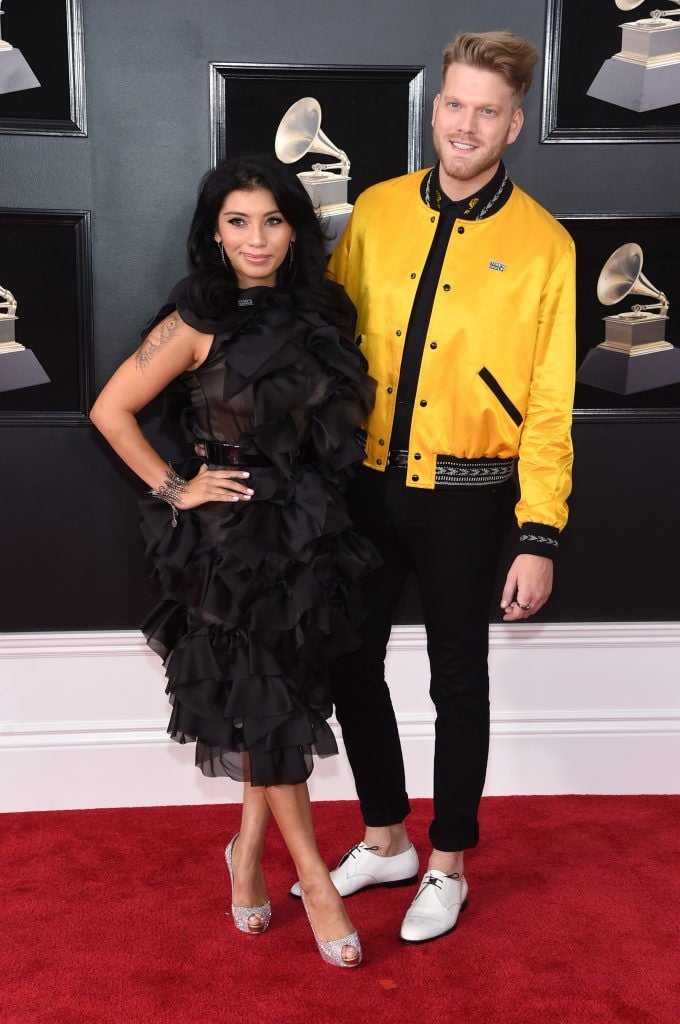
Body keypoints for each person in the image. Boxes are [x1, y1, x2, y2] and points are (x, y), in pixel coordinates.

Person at [290, 30, 576, 944]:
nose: (465, 123)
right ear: (435, 109)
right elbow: (328, 345)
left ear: (514, 125)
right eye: (453, 104)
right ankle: (386, 839)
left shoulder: (546, 247)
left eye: (486, 110)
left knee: (459, 681)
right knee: (347, 662)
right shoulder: (374, 211)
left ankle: (448, 862)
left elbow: (549, 404)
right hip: (364, 486)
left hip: (470, 493)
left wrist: (540, 534)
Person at [90, 154, 380, 968]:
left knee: (278, 707)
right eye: (238, 221)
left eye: (274, 220)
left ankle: (246, 855)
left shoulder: (323, 312)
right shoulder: (194, 321)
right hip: (229, 545)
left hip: (311, 530)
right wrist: (177, 485)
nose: (257, 238)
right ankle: (316, 878)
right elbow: (110, 410)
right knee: (270, 704)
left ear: (296, 228)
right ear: (214, 233)